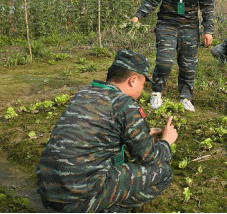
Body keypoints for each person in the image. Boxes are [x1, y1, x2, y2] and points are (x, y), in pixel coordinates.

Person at [36, 50, 178, 213]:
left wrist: (142, 136)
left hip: (48, 191)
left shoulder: (84, 93)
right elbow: (148, 157)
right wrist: (166, 142)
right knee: (163, 172)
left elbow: (100, 135)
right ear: (132, 80)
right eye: (143, 84)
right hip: (77, 199)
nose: (142, 90)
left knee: (120, 157)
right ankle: (111, 209)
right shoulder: (125, 104)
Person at [131, 0, 214, 112]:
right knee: (164, 61)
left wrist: (208, 30)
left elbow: (207, 7)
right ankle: (156, 92)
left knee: (188, 64)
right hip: (167, 25)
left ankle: (185, 97)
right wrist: (138, 15)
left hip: (190, 28)